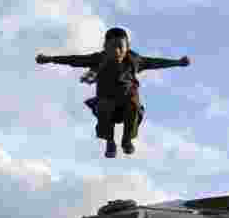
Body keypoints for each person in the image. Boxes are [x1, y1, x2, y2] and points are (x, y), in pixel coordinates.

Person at [36, 27, 191, 157]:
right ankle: (110, 142)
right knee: (103, 106)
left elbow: (155, 62)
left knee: (133, 105)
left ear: (127, 47)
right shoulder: (99, 59)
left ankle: (127, 140)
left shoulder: (134, 60)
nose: (116, 52)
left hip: (127, 102)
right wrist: (50, 59)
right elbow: (75, 59)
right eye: (112, 48)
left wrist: (177, 62)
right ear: (105, 47)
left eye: (120, 47)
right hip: (108, 102)